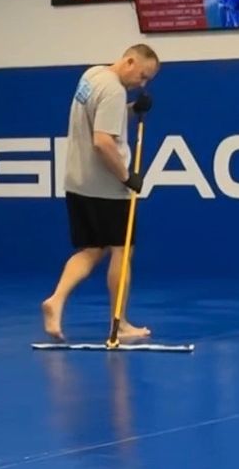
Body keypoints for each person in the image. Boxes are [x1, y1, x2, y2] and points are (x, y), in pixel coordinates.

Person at [42, 44, 160, 340]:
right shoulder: (115, 91)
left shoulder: (92, 75)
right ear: (130, 61)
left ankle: (55, 301)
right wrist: (126, 177)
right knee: (122, 250)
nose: (142, 83)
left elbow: (103, 119)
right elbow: (103, 141)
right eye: (143, 75)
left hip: (77, 182)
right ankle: (119, 323)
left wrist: (134, 110)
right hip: (106, 187)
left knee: (92, 250)